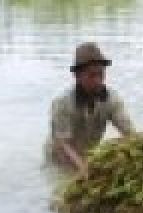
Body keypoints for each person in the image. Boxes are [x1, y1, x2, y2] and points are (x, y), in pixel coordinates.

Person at [47, 42, 134, 176]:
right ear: (77, 76)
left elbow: (129, 132)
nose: (98, 80)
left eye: (101, 74)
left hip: (87, 154)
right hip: (59, 159)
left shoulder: (112, 100)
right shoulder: (62, 104)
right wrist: (83, 169)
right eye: (91, 75)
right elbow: (63, 144)